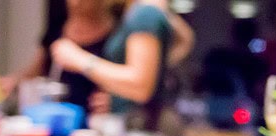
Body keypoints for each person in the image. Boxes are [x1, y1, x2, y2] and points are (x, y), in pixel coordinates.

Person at [50, 0, 195, 129]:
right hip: (135, 124)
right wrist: (117, 96)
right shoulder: (136, 11)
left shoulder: (144, 14)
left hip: (145, 128)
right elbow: (184, 40)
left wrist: (79, 59)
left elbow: (140, 85)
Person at [0, 0, 115, 113]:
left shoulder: (116, 34)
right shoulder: (57, 27)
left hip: (95, 120)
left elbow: (126, 81)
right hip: (58, 116)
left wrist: (115, 100)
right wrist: (14, 81)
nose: (76, 3)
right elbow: (38, 68)